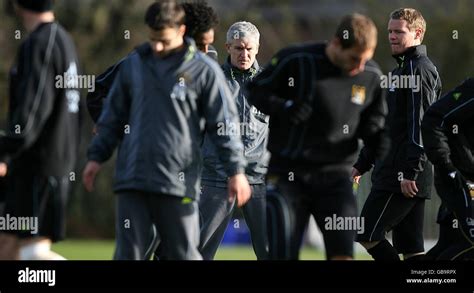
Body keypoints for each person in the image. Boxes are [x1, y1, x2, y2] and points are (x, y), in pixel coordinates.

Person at [82, 0, 251, 260]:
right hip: (133, 179)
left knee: (182, 253)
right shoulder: (135, 65)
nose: (158, 46)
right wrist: (97, 156)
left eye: (164, 40)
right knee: (129, 254)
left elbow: (223, 125)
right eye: (154, 39)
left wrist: (236, 171)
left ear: (181, 31)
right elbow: (112, 114)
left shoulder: (204, 70)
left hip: (179, 183)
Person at [247, 13, 389, 260]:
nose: (359, 67)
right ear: (336, 43)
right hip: (288, 176)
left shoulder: (371, 77)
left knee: (343, 254)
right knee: (282, 254)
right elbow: (255, 89)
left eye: (366, 59)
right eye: (354, 58)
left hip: (336, 179)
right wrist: (285, 107)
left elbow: (375, 125)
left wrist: (379, 149)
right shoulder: (296, 59)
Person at [353, 8, 442, 261]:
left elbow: (420, 124)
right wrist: (363, 163)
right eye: (390, 31)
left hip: (403, 176)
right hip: (400, 173)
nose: (392, 36)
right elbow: (385, 126)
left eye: (399, 32)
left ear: (418, 33)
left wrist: (411, 171)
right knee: (412, 251)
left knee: (367, 233)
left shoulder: (419, 70)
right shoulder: (397, 74)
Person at [0, 0, 81, 260]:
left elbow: (31, 113)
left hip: (38, 166)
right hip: (51, 163)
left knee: (33, 252)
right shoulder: (64, 40)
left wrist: (5, 151)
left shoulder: (40, 44)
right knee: (6, 245)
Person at [199, 21, 269, 260]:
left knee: (272, 250)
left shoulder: (269, 82)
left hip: (259, 178)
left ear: (258, 48)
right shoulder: (212, 80)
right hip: (217, 176)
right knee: (199, 250)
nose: (245, 54)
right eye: (239, 48)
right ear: (228, 47)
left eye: (250, 49)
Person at [87, 0, 220, 123]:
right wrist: (109, 126)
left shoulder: (210, 58)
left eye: (209, 44)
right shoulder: (141, 60)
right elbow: (97, 91)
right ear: (181, 34)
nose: (205, 51)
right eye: (200, 45)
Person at [421, 78, 474, 260]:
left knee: (451, 243)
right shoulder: (470, 90)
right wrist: (447, 166)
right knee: (470, 244)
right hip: (459, 178)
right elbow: (433, 118)